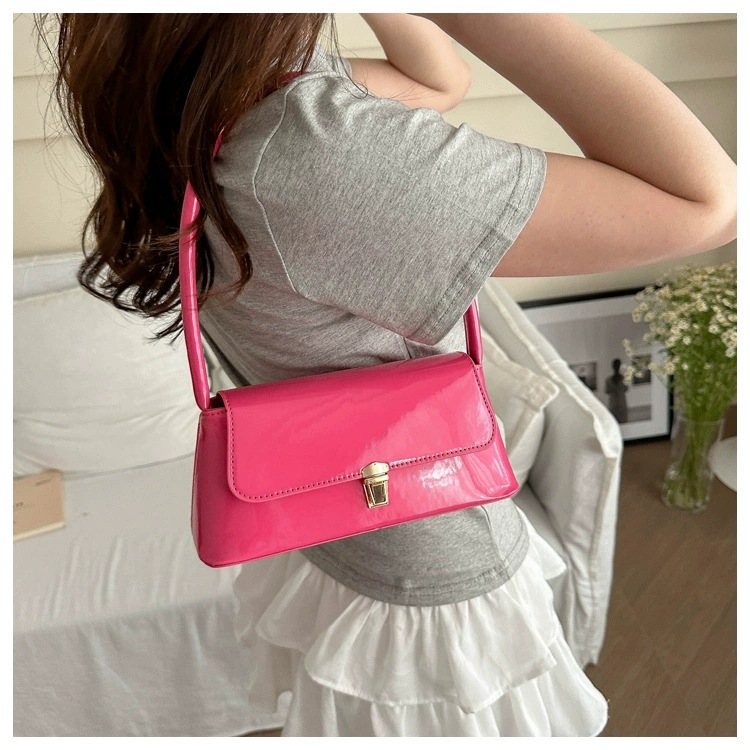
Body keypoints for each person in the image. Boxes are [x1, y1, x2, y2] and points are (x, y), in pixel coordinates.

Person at [39, 13, 736, 737]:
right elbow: (708, 204)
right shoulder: (314, 150)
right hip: (427, 587)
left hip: (331, 531)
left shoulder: (188, 93)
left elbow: (437, 82)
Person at [605, 358, 630, 423]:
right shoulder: (608, 380)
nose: (617, 367)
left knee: (623, 422)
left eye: (617, 365)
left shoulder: (623, 378)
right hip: (614, 404)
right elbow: (607, 391)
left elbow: (626, 389)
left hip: (621, 404)